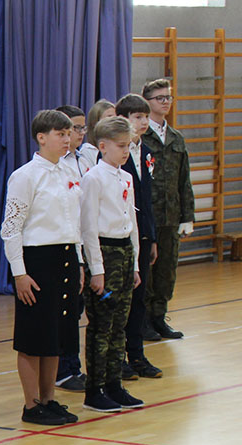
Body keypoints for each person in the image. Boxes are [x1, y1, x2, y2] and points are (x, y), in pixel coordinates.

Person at [0, 110, 83, 426]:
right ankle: (31, 404)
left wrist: (79, 262)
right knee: (34, 337)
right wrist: (19, 273)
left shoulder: (68, 171)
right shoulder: (25, 176)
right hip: (37, 261)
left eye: (68, 134)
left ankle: (49, 399)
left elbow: (74, 222)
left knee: (56, 335)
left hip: (65, 256)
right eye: (60, 134)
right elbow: (11, 228)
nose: (66, 139)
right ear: (41, 137)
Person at [79, 116, 143, 413]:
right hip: (105, 253)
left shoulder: (125, 177)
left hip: (124, 253)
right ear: (103, 146)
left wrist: (135, 263)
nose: (125, 151)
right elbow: (88, 227)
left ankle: (115, 384)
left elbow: (132, 223)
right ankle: (95, 390)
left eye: (128, 146)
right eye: (120, 146)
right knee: (102, 326)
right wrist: (97, 269)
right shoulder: (93, 178)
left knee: (120, 324)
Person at [141, 77, 195, 340]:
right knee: (147, 272)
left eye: (168, 97)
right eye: (159, 98)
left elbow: (184, 181)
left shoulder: (176, 137)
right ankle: (143, 321)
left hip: (171, 216)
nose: (165, 102)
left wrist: (188, 216)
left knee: (166, 271)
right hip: (148, 216)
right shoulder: (141, 137)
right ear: (147, 102)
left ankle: (159, 318)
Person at [115, 93, 162, 380]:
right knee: (120, 302)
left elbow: (147, 199)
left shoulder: (146, 152)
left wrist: (152, 237)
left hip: (142, 236)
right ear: (123, 120)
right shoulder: (113, 156)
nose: (144, 122)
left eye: (145, 117)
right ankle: (117, 358)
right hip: (120, 238)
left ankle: (137, 355)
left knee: (139, 299)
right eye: (137, 117)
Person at [54, 104, 91, 393]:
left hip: (85, 244)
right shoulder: (55, 165)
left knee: (78, 310)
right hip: (64, 246)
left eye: (81, 128)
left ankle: (75, 366)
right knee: (64, 314)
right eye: (71, 129)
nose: (77, 134)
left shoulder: (87, 159)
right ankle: (62, 370)